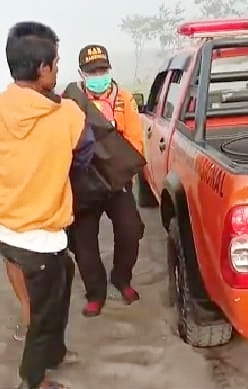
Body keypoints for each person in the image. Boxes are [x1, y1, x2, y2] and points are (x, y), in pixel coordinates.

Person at [0, 21, 94, 389]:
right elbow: (84, 157)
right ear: (43, 68)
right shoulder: (70, 116)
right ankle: (32, 380)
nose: (57, 71)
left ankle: (55, 353)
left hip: (1, 227)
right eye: (56, 64)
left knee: (63, 278)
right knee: (43, 316)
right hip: (40, 236)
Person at [67, 44, 145, 317]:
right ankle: (95, 292)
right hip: (85, 182)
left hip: (116, 179)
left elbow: (135, 140)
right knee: (84, 241)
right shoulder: (71, 102)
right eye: (92, 71)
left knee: (131, 230)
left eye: (102, 70)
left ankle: (122, 278)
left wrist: (123, 171)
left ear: (109, 69)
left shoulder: (123, 99)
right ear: (81, 73)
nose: (98, 75)